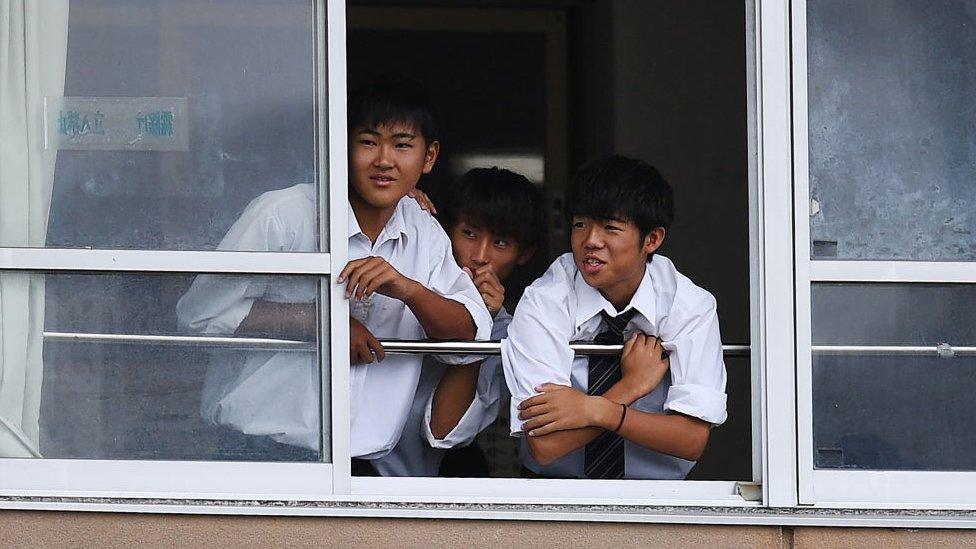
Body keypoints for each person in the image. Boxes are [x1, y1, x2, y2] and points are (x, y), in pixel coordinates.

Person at [176, 76, 492, 469]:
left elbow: (468, 333)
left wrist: (408, 289)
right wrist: (323, 322)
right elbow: (199, 314)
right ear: (339, 145)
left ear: (429, 158)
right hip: (257, 453)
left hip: (363, 463)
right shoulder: (286, 214)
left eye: (403, 145)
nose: (384, 160)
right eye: (368, 141)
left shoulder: (424, 230)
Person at [502, 155, 727, 479]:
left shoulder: (688, 305)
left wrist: (598, 410)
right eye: (580, 224)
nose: (590, 241)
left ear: (652, 239)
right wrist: (630, 386)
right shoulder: (545, 300)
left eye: (610, 227)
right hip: (552, 492)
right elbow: (546, 446)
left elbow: (691, 440)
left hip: (658, 499)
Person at [373, 167, 543, 476]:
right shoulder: (399, 276)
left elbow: (443, 433)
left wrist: (481, 326)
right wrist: (400, 202)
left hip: (423, 478)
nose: (480, 255)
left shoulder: (507, 330)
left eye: (500, 243)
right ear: (445, 229)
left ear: (524, 253)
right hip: (350, 467)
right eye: (469, 234)